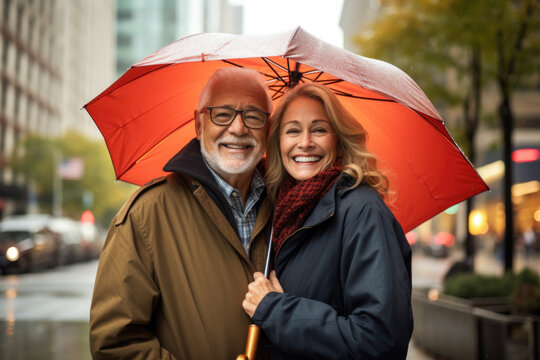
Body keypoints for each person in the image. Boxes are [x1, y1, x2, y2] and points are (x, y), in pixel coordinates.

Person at [90, 67, 274, 360]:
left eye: (253, 116)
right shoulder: (146, 215)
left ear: (269, 128)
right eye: (222, 114)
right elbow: (116, 344)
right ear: (199, 125)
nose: (238, 128)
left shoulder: (290, 209)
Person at [242, 83, 413, 359]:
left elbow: (380, 339)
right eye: (293, 130)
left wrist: (274, 310)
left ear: (338, 139)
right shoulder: (280, 211)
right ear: (278, 143)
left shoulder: (363, 211)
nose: (305, 141)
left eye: (319, 129)